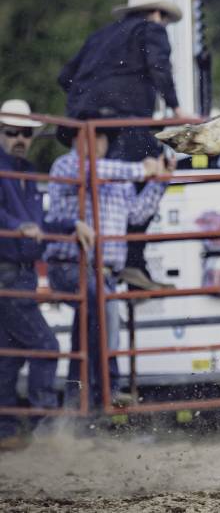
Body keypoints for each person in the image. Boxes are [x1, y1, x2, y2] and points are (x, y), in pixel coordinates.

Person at [57, 0, 191, 291]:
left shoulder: (99, 37)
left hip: (85, 126)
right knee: (150, 164)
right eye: (164, 19)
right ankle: (132, 261)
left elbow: (64, 77)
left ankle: (108, 261)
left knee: (100, 187)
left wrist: (90, 102)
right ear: (157, 14)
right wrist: (176, 107)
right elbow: (159, 66)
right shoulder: (151, 30)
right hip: (125, 121)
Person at [44, 113, 168, 413]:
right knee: (100, 311)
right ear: (75, 138)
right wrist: (143, 169)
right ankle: (109, 386)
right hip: (71, 265)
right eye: (91, 134)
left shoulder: (115, 176)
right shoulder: (68, 165)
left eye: (101, 136)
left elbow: (137, 214)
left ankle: (79, 407)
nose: (97, 141)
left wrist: (160, 181)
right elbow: (91, 172)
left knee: (85, 336)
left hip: (104, 272)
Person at [0, 100, 77, 448]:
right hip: (9, 274)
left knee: (11, 354)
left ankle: (6, 431)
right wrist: (20, 227)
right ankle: (43, 424)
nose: (19, 138)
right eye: (12, 132)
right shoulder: (12, 173)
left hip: (20, 274)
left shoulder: (26, 173)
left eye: (25, 133)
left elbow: (39, 224)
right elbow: (20, 222)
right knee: (45, 345)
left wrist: (69, 226)